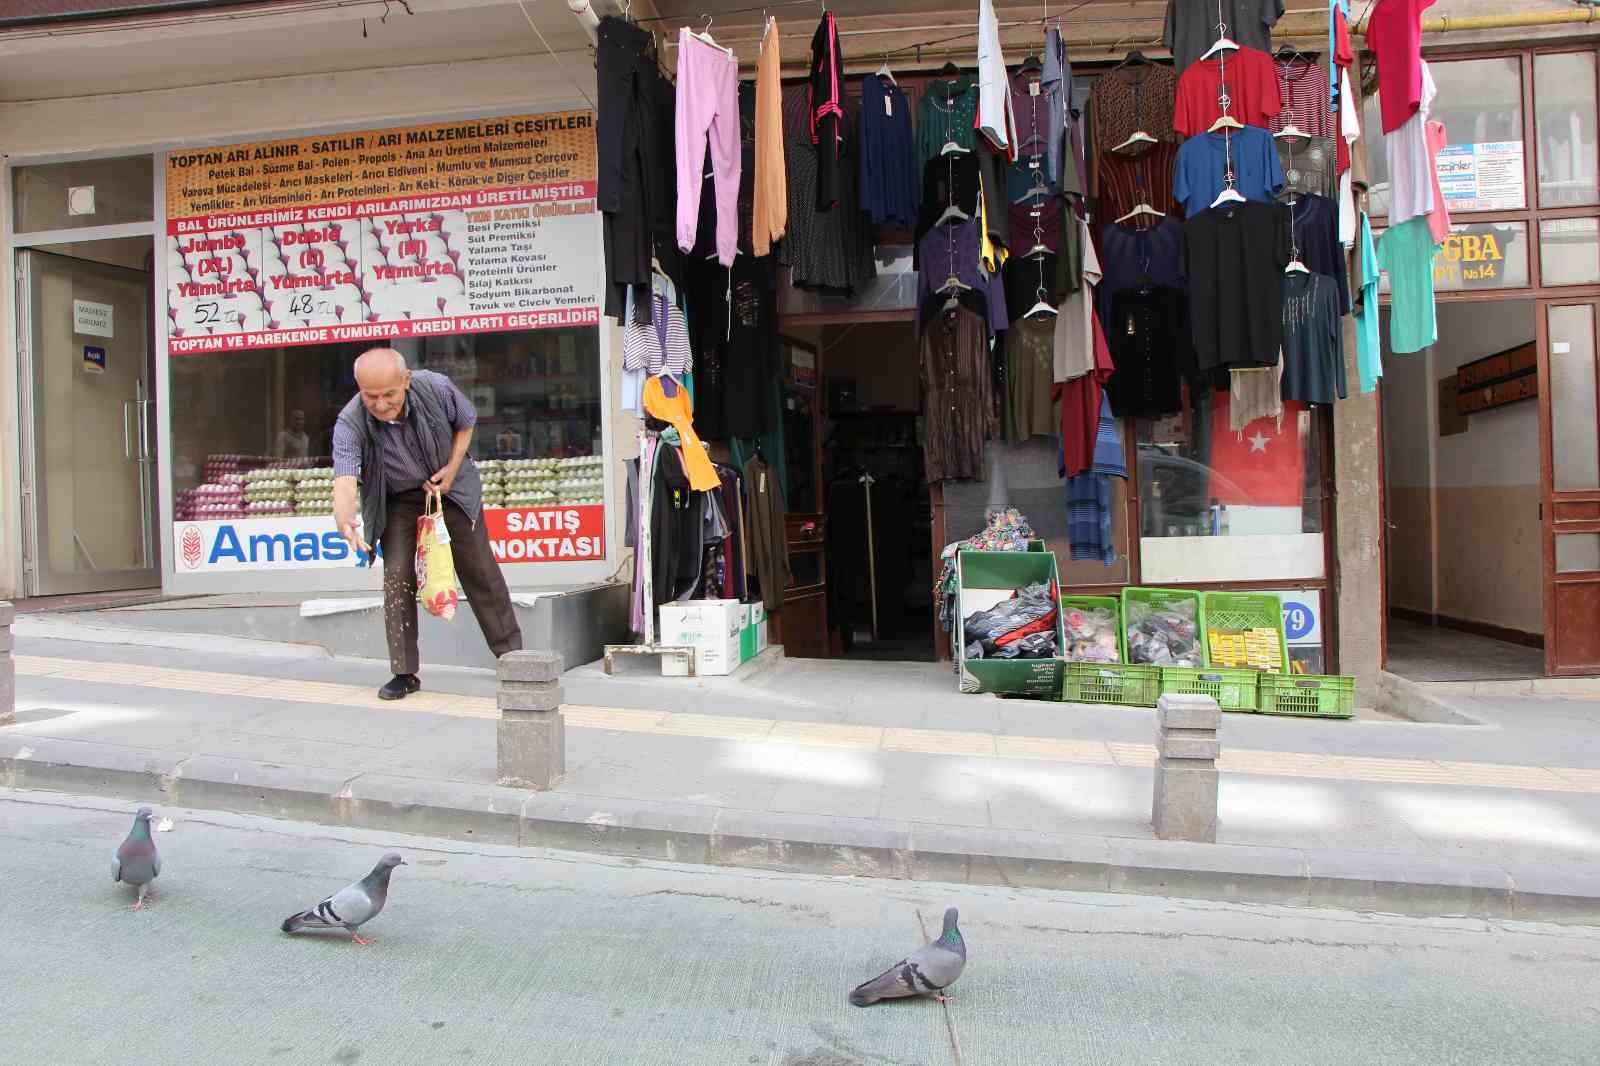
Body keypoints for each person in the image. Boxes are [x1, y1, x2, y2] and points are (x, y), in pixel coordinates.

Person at [331, 347, 522, 700]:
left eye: (389, 394)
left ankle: (512, 657)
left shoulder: (436, 388)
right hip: (398, 499)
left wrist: (451, 468)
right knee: (397, 577)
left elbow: (466, 422)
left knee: (479, 569)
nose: (381, 404)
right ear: (359, 389)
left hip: (449, 487)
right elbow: (344, 478)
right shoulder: (350, 421)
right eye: (371, 396)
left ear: (406, 380)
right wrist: (346, 521)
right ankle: (404, 672)